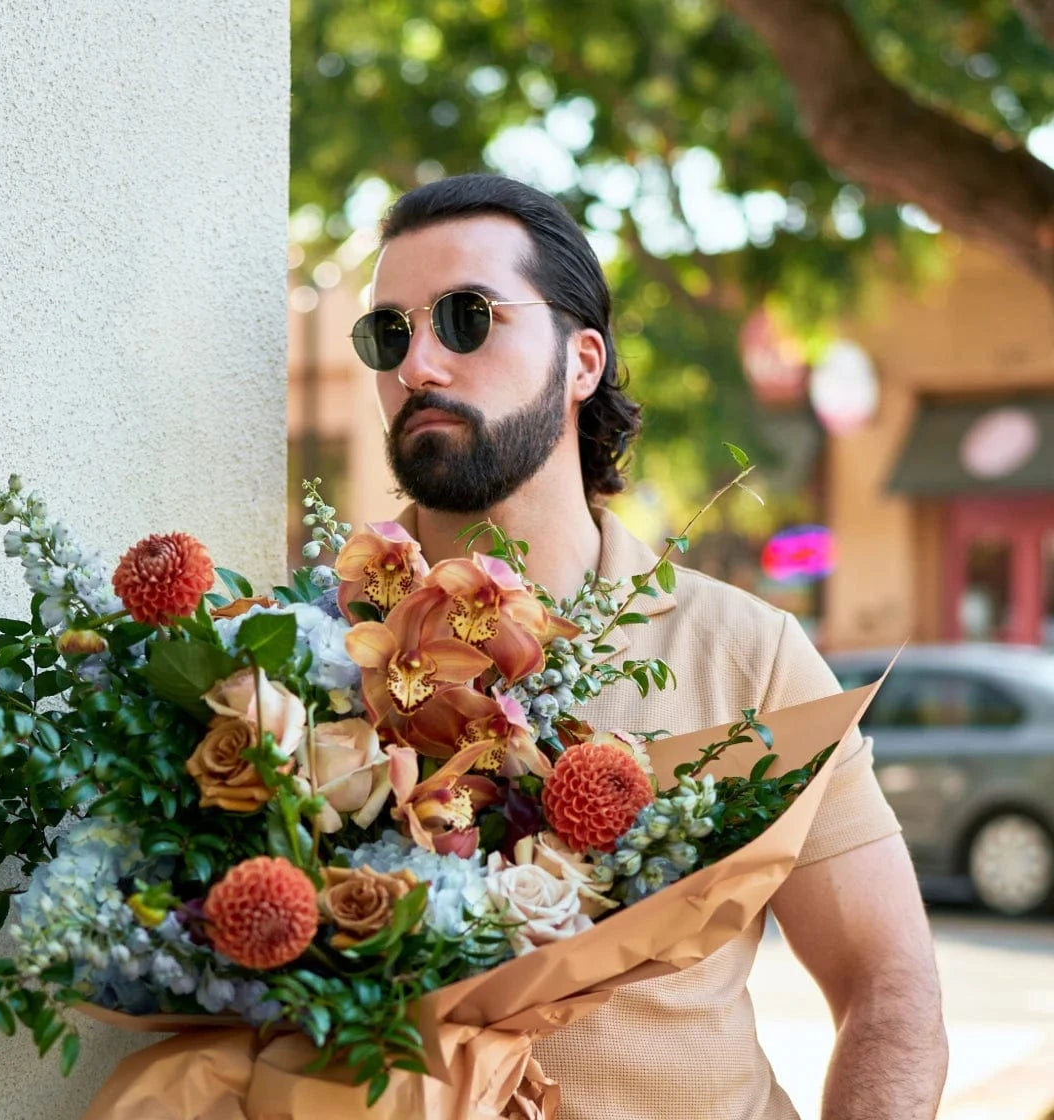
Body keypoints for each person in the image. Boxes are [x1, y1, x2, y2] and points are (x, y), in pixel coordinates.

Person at [349, 173, 947, 1120]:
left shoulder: (750, 654)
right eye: (389, 333)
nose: (418, 364)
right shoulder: (306, 654)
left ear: (581, 361)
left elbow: (889, 987)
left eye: (466, 318)